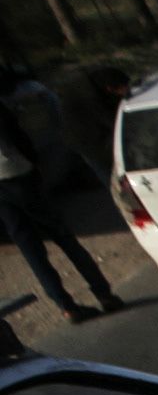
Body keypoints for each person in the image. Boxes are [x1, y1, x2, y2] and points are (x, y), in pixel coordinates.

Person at [0, 71, 120, 325]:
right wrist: (35, 165)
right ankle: (103, 293)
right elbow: (18, 138)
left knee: (30, 249)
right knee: (64, 237)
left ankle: (66, 307)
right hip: (19, 175)